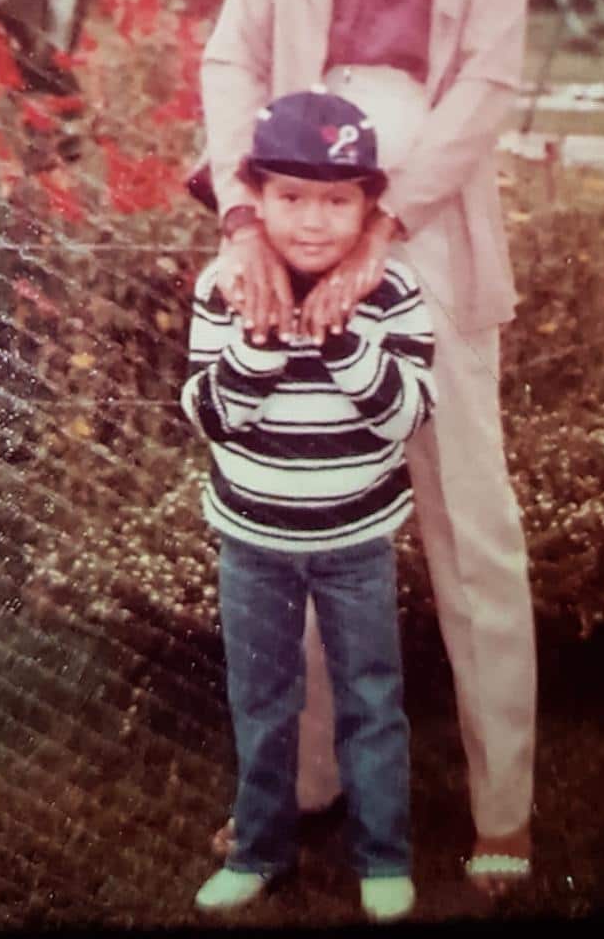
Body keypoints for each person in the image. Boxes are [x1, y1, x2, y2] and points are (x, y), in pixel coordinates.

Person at [200, 0, 538, 898]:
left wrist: (384, 225)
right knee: (305, 500)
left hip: (429, 217)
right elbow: (235, 48)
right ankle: (308, 790)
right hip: (291, 214)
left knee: (469, 521)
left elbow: (492, 75)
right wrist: (248, 218)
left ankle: (503, 815)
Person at [184, 89, 435, 923]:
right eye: (290, 197)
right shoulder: (226, 286)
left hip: (356, 537)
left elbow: (407, 416)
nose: (314, 222)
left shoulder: (391, 293)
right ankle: (259, 850)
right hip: (251, 538)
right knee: (262, 699)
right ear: (255, 197)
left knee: (369, 696)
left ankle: (383, 856)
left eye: (337, 201)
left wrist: (343, 344)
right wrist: (257, 348)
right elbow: (209, 418)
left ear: (368, 206)